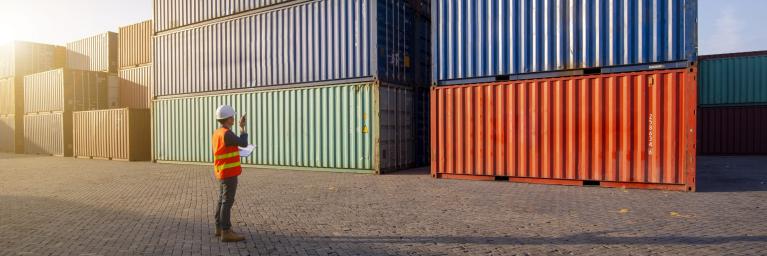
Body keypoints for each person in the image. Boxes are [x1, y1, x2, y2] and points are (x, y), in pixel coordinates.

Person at [211, 105, 248, 242]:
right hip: (229, 172)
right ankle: (226, 231)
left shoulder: (217, 132)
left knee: (222, 200)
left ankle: (219, 227)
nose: (234, 118)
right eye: (233, 116)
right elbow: (244, 143)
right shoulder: (227, 133)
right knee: (227, 201)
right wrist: (242, 128)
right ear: (228, 118)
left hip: (222, 171)